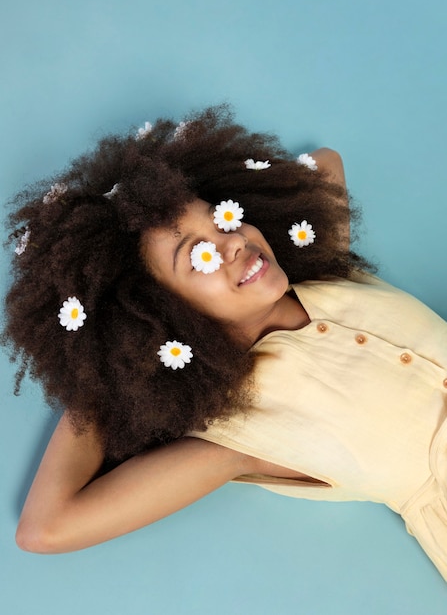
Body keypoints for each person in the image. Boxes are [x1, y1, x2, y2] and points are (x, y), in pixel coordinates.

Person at [3, 106, 447, 581]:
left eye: (222, 220)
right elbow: (45, 528)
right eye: (200, 256)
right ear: (161, 316)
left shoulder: (325, 270)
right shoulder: (241, 435)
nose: (233, 242)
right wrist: (106, 370)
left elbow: (327, 161)